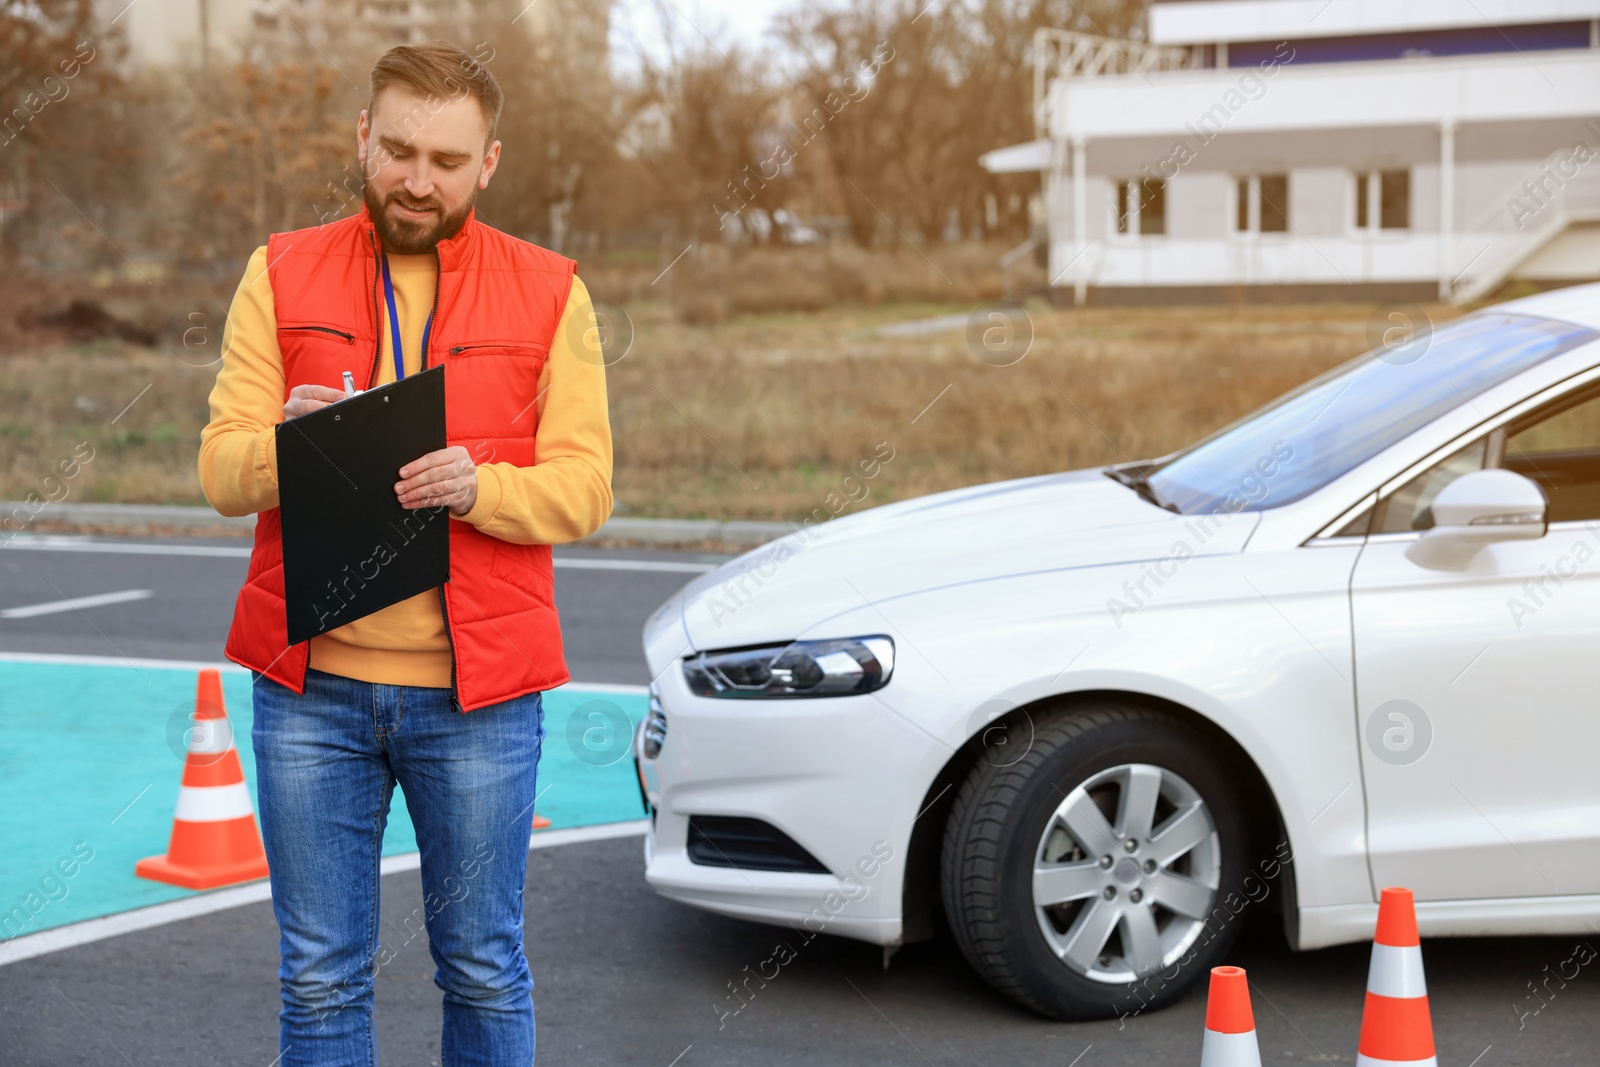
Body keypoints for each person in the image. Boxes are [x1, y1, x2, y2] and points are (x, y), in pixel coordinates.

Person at [198, 40, 613, 1066]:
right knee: (320, 976)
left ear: (490, 163)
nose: (416, 179)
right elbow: (217, 471)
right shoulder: (280, 268)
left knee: (480, 963)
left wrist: (484, 485)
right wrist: (293, 454)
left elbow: (587, 488)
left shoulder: (553, 290)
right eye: (396, 150)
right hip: (311, 697)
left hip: (478, 705)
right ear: (361, 141)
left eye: (444, 158)